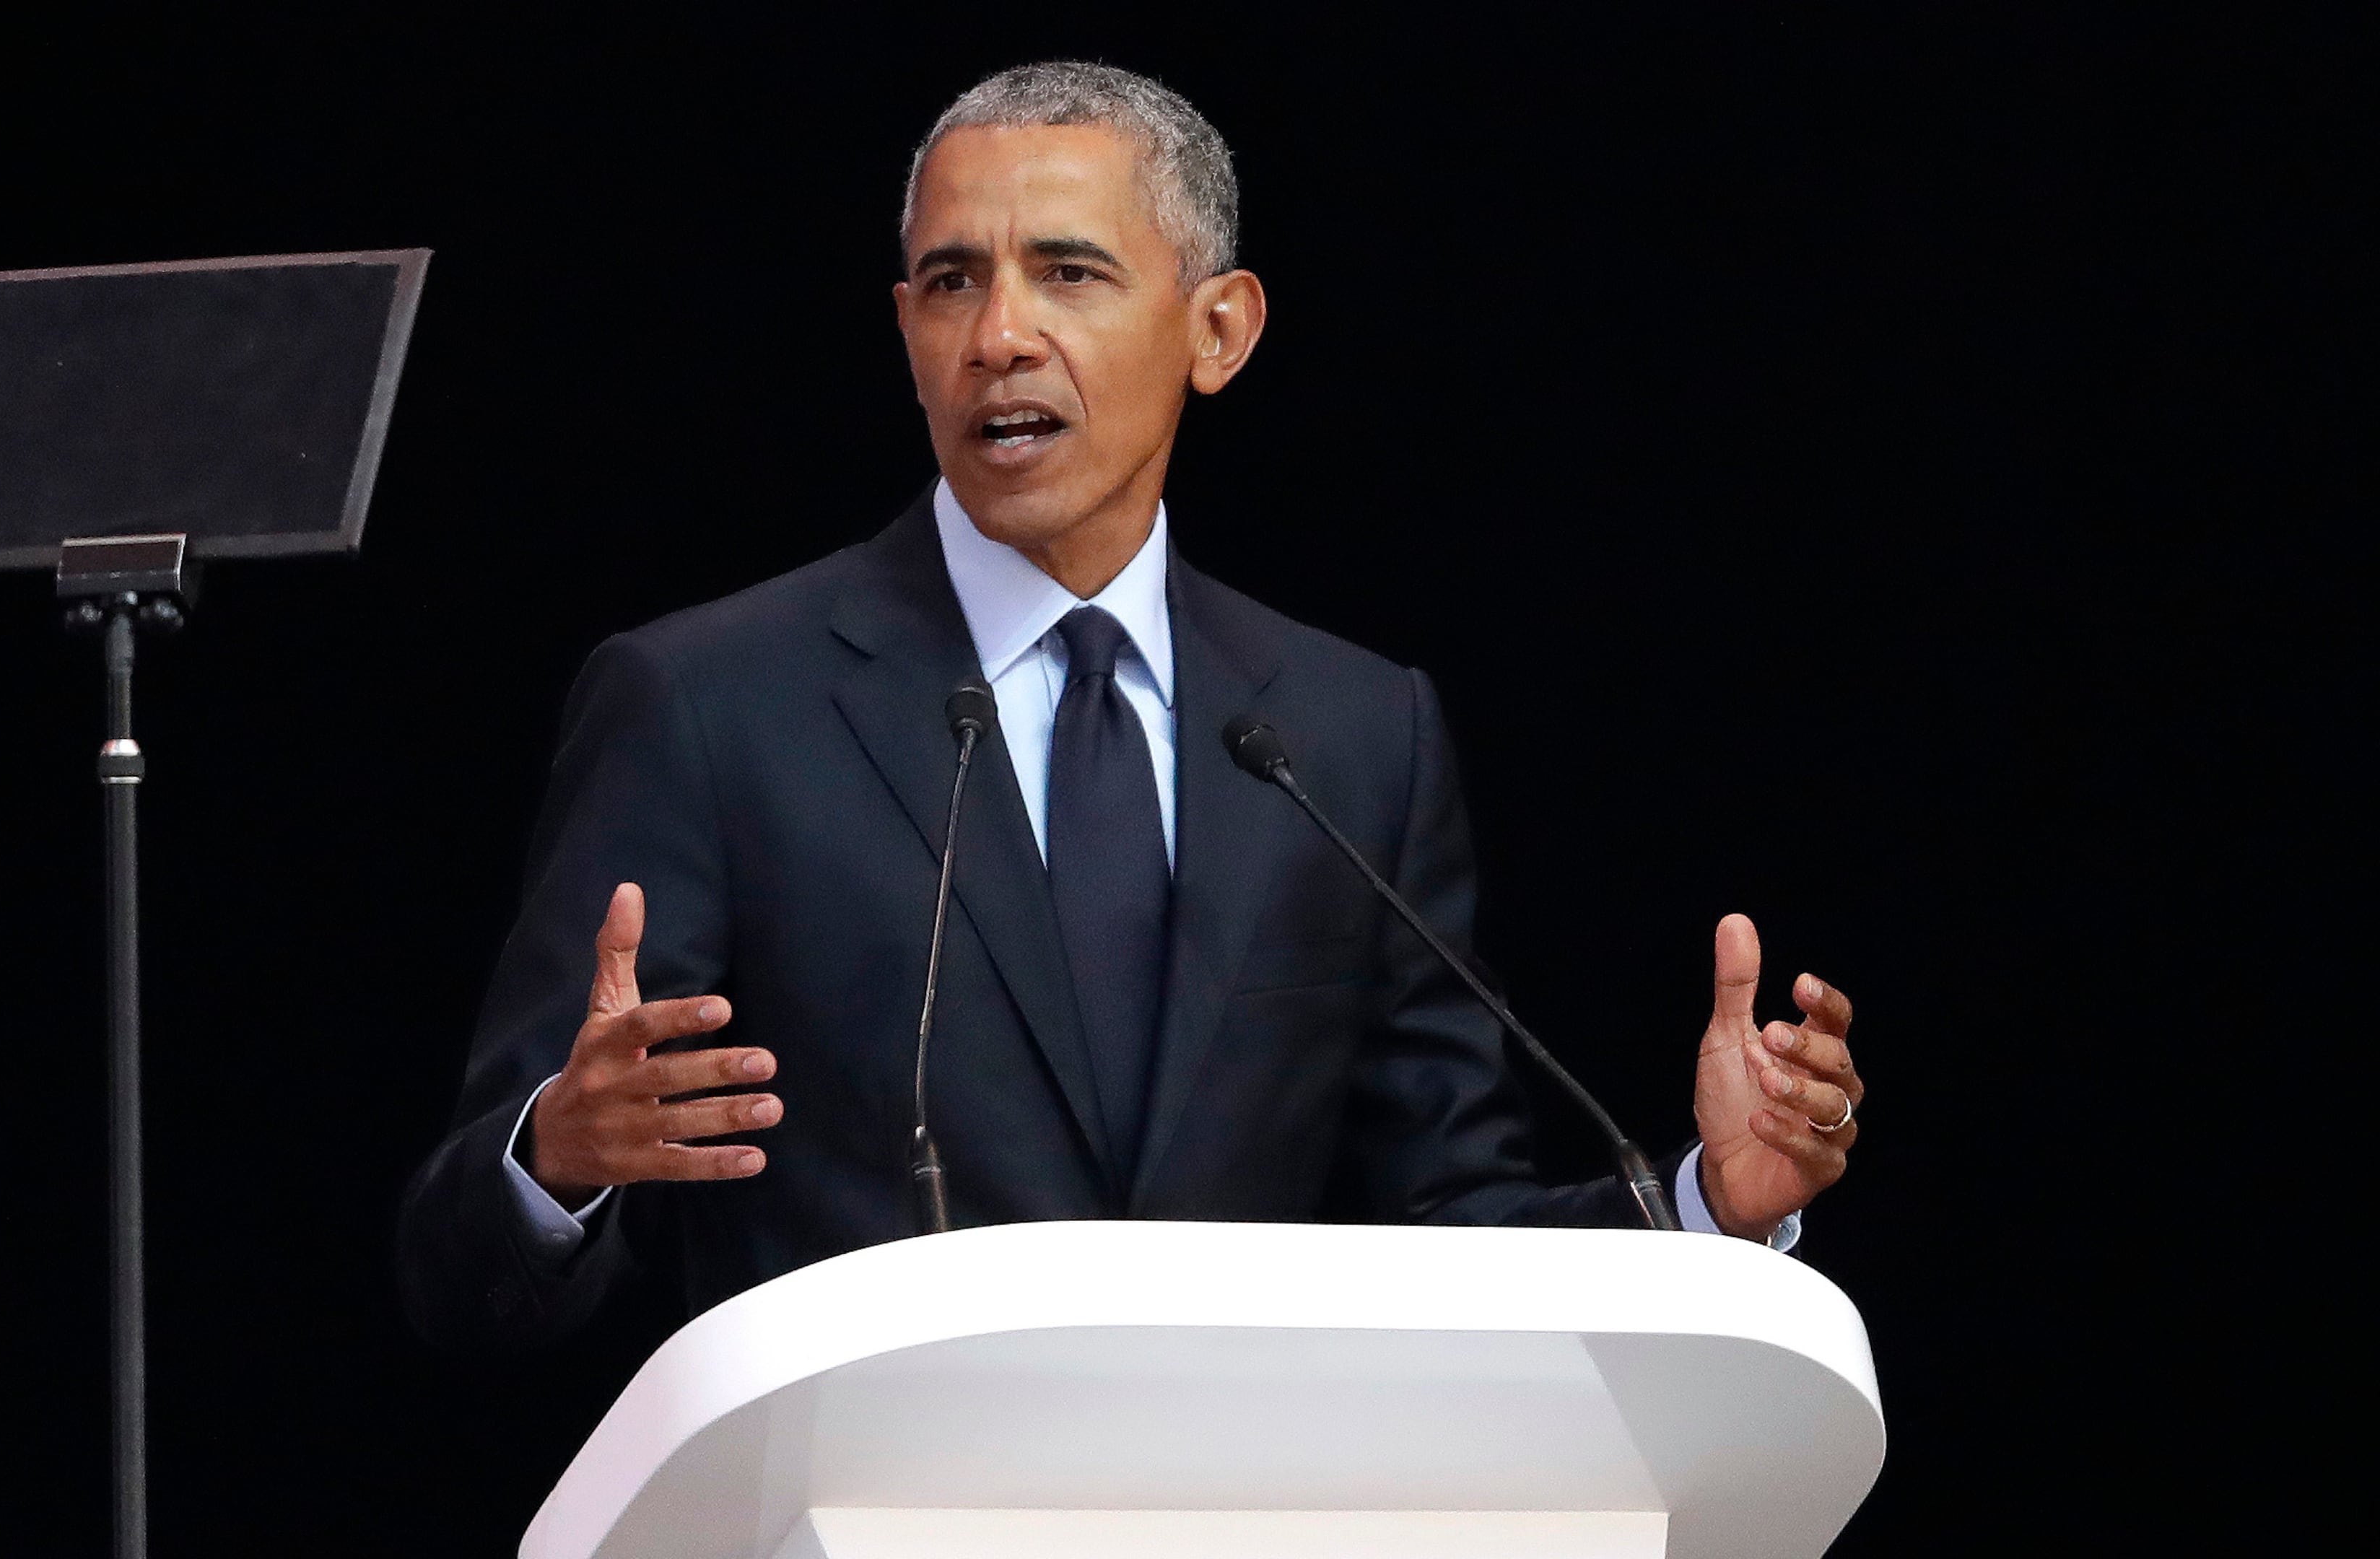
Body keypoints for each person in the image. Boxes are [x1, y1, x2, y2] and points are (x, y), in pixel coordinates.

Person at [397, 62, 1865, 1353]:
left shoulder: (1353, 735)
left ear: (1219, 329)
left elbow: (1446, 1227)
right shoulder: (709, 705)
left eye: (1069, 273)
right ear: (905, 332)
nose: (999, 335)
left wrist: (1707, 1209)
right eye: (952, 283)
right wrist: (555, 1160)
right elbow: (457, 1275)